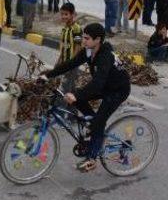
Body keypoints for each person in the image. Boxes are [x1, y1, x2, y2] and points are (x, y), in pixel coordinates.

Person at [42, 23, 130, 172]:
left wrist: (76, 95)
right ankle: (93, 123)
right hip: (104, 86)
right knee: (81, 99)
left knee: (97, 120)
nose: (83, 41)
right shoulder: (89, 51)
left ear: (98, 40)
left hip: (117, 90)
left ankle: (92, 158)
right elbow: (70, 64)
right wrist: (47, 75)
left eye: (87, 38)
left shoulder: (105, 56)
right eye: (83, 37)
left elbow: (97, 83)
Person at [56, 2, 82, 94]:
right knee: (68, 87)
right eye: (62, 14)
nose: (63, 16)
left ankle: (66, 106)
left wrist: (71, 63)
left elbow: (78, 46)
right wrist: (59, 60)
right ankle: (72, 105)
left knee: (66, 88)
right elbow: (64, 47)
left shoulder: (76, 28)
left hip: (71, 64)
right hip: (64, 62)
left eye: (66, 14)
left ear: (72, 14)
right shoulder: (65, 28)